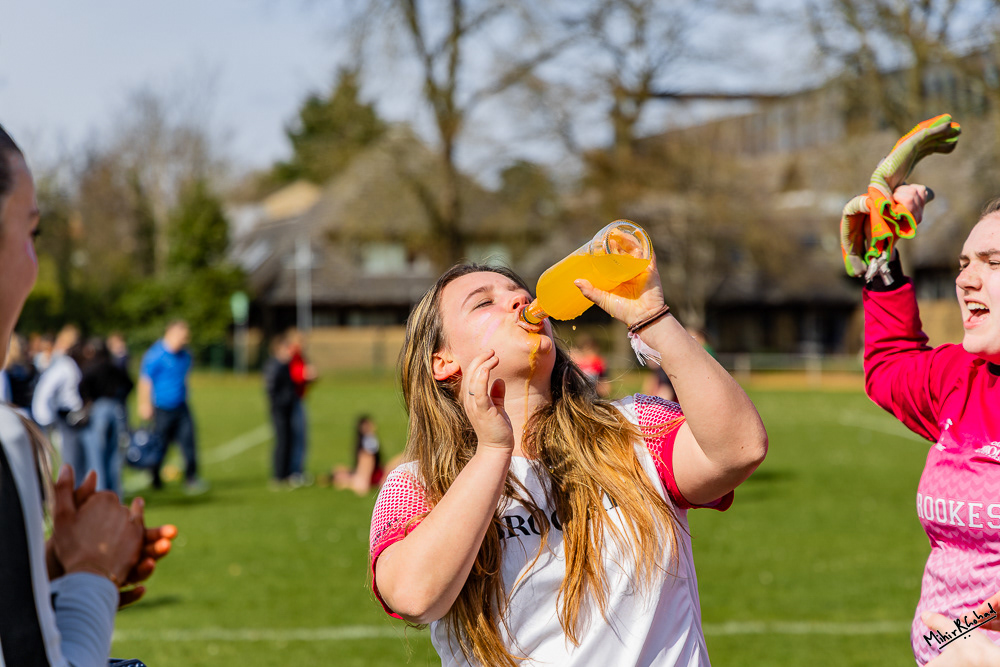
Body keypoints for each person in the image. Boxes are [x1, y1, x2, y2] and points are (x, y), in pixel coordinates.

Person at [368, 258, 767, 665]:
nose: (519, 299)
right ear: (443, 361)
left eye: (518, 292)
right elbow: (416, 597)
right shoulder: (416, 483)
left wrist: (654, 319)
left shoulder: (635, 427)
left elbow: (739, 450)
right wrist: (493, 452)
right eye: (483, 302)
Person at [0, 121, 176, 664]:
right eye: (30, 233)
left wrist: (31, 573)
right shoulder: (1, 439)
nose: (34, 262)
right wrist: (90, 577)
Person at [857, 182, 1000, 665]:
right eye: (964, 265)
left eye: (993, 262)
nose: (966, 280)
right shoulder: (963, 375)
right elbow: (890, 368)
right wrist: (882, 255)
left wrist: (977, 645)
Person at [138, 320, 207, 494]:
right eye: (182, 337)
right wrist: (144, 403)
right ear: (170, 333)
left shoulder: (185, 355)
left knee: (189, 441)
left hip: (181, 406)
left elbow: (184, 377)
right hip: (161, 407)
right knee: (161, 445)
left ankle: (191, 478)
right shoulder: (155, 354)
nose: (184, 340)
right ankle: (155, 478)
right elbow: (145, 381)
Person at [78, 337, 134, 497]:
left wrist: (88, 401)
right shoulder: (114, 367)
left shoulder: (90, 368)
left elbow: (82, 388)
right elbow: (129, 384)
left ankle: (100, 494)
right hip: (116, 409)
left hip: (98, 410)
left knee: (96, 454)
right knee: (114, 456)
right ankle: (116, 495)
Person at [31, 324, 85, 480]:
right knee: (69, 457)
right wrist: (46, 418)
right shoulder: (63, 363)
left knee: (72, 457)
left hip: (68, 414)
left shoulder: (64, 363)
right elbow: (45, 391)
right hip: (65, 414)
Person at [263, 333, 297, 487]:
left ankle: (286, 474)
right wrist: (282, 403)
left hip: (288, 408)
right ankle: (278, 476)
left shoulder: (285, 365)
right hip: (279, 410)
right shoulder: (274, 366)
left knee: (289, 440)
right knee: (282, 442)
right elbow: (271, 390)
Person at [323, 415, 385, 495]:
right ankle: (332, 479)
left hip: (372, 476)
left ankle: (332, 479)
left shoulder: (366, 448)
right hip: (372, 474)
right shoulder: (368, 444)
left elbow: (363, 482)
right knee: (338, 469)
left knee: (339, 472)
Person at [287, 328, 316, 486]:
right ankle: (295, 471)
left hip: (299, 398)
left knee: (299, 437)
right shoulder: (294, 355)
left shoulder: (300, 356)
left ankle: (297, 470)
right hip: (295, 400)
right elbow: (293, 374)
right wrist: (305, 375)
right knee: (298, 436)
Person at [569, 333, 610, 397]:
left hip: (592, 396)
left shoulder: (598, 362)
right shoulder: (575, 360)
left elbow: (605, 386)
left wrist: (601, 389)